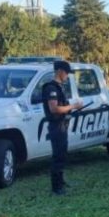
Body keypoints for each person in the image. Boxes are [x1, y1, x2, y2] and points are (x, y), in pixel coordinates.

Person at [42, 60, 83, 196]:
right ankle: (56, 188)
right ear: (60, 71)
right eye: (66, 73)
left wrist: (72, 108)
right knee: (58, 156)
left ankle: (60, 181)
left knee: (62, 155)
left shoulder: (60, 87)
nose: (67, 76)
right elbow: (54, 109)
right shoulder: (51, 88)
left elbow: (62, 106)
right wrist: (73, 106)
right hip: (56, 126)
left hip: (62, 125)